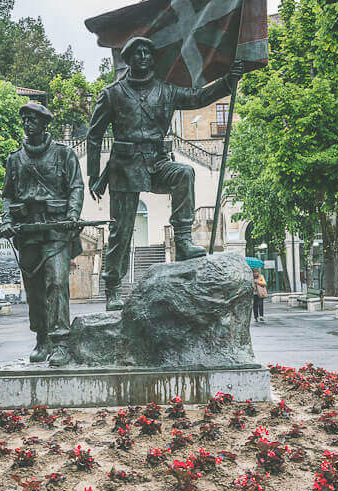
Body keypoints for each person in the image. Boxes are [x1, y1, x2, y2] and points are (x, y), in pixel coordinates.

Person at [85, 36, 244, 311]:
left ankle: (182, 240)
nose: (143, 56)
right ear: (128, 58)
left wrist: (228, 81)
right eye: (137, 52)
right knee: (121, 231)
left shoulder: (166, 91)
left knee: (184, 173)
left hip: (157, 161)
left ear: (153, 59)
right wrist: (93, 174)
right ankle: (112, 287)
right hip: (125, 166)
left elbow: (198, 97)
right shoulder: (113, 93)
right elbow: (94, 135)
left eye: (148, 52)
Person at [0, 101, 84, 367]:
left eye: (32, 119)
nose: (27, 123)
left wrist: (72, 215)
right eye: (24, 119)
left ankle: (60, 341)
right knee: (34, 290)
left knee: (57, 283)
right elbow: (7, 196)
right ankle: (42, 338)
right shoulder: (14, 159)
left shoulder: (63, 154)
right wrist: (6, 220)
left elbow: (76, 187)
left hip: (57, 229)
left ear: (45, 123)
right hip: (28, 233)